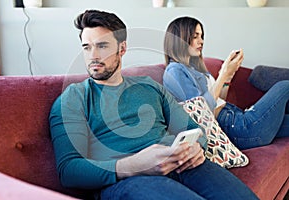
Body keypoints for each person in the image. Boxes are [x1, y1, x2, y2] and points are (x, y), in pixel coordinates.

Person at [49, 10, 258, 200]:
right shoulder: (73, 98)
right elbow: (68, 170)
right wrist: (130, 166)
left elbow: (193, 129)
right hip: (128, 180)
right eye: (87, 47)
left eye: (102, 46)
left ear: (122, 48)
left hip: (183, 165)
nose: (93, 55)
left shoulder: (149, 86)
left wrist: (197, 148)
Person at [163, 16, 289, 150]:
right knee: (284, 86)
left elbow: (218, 101)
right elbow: (202, 111)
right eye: (195, 36)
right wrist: (223, 74)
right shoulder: (174, 71)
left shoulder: (194, 69)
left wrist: (228, 77)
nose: (201, 41)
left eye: (201, 36)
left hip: (237, 119)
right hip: (238, 129)